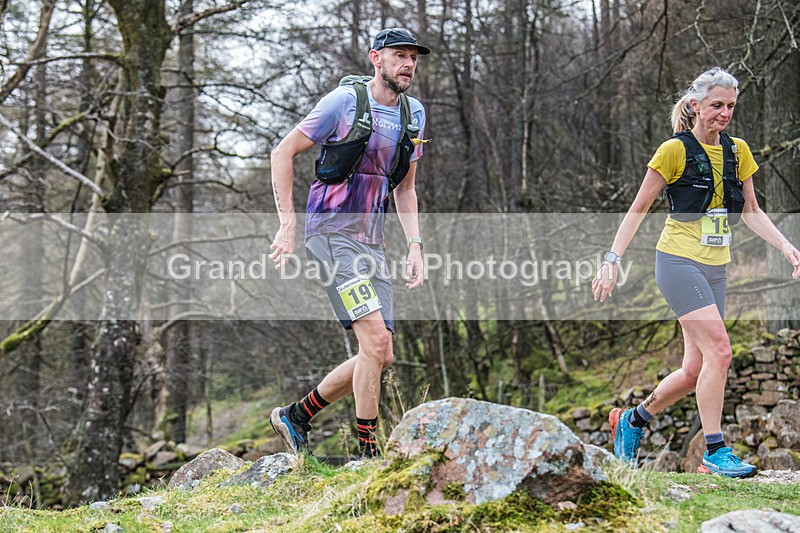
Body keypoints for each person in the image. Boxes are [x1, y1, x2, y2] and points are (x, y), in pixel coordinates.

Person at [592, 67, 800, 477]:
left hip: (716, 268)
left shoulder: (739, 151)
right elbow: (638, 208)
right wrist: (612, 260)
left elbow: (751, 211)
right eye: (716, 105)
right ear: (695, 106)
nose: (725, 113)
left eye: (731, 106)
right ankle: (715, 452)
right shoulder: (674, 150)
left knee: (693, 371)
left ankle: (632, 420)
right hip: (677, 262)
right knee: (721, 351)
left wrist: (785, 245)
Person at [267, 28, 430, 459]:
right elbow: (282, 153)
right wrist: (287, 224)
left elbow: (406, 188)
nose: (408, 64)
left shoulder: (414, 114)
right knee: (374, 341)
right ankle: (369, 455)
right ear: (376, 58)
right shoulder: (343, 103)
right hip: (330, 236)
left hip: (372, 243)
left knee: (382, 352)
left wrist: (415, 245)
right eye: (399, 55)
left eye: (413, 57)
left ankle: (296, 415)